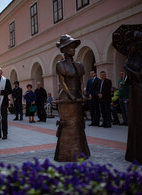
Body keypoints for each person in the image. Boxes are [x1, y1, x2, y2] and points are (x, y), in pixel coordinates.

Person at [112, 25, 142, 165]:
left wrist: (127, 68)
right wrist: (126, 73)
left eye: (130, 44)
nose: (129, 47)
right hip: (135, 91)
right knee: (135, 125)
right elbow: (129, 79)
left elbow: (140, 76)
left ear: (137, 44)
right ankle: (135, 153)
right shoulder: (131, 57)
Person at [54, 34, 90, 162]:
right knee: (68, 125)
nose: (73, 49)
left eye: (74, 46)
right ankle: (65, 154)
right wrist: (70, 96)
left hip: (77, 97)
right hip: (66, 98)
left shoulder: (79, 65)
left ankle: (80, 151)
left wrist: (82, 94)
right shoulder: (60, 65)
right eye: (70, 47)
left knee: (79, 125)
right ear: (63, 49)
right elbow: (62, 82)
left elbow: (81, 81)